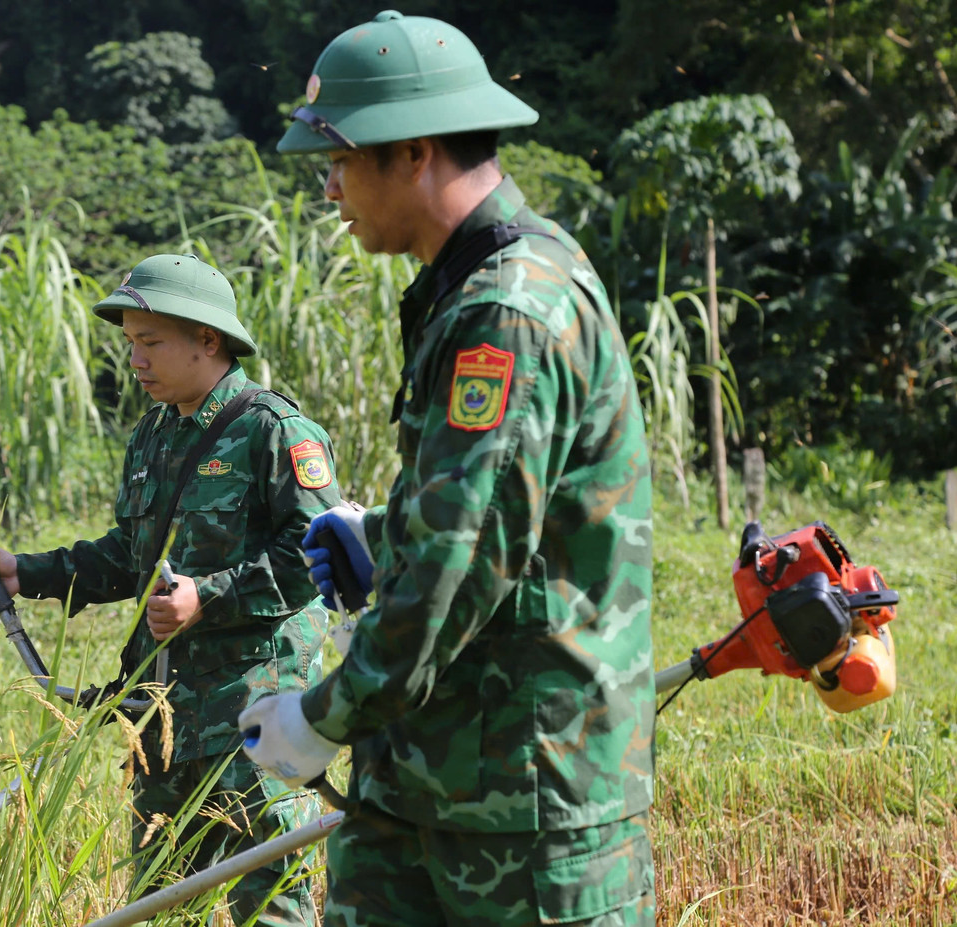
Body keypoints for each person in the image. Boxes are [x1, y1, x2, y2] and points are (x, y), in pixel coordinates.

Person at [239, 12, 656, 927]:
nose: (329, 187)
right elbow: (489, 508)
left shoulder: (509, 310)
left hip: (523, 809)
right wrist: (379, 533)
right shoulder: (464, 291)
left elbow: (459, 564)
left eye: (341, 161)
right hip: (430, 784)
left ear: (415, 152)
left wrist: (322, 715)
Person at [0, 252, 342, 927]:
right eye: (130, 342)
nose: (135, 359)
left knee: (272, 902)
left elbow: (318, 549)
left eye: (150, 342)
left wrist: (209, 596)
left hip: (254, 712)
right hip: (163, 716)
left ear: (208, 339)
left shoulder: (273, 431)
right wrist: (26, 571)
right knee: (161, 899)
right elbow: (129, 556)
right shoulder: (153, 437)